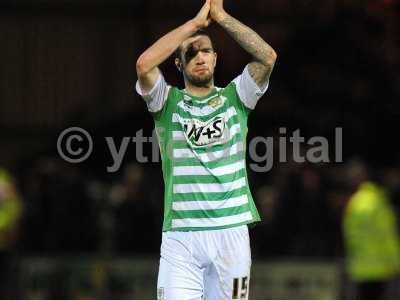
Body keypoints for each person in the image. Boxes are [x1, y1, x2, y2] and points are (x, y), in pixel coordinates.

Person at [135, 0, 277, 299]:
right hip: (181, 238)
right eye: (190, 53)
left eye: (206, 50)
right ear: (178, 63)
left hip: (232, 236)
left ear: (215, 57)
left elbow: (267, 57)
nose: (199, 56)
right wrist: (195, 25)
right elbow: (144, 65)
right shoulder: (166, 103)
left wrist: (222, 17)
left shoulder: (236, 97)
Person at [343, 160, 400, 300]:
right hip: (379, 267)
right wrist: (396, 262)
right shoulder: (378, 203)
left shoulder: (355, 202)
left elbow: (349, 234)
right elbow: (387, 235)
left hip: (359, 267)